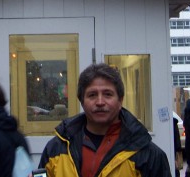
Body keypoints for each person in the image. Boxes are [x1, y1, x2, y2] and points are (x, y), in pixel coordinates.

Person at [39, 63, 171, 177]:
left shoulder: (149, 155)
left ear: (120, 100)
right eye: (92, 95)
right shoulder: (56, 148)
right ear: (82, 101)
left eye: (108, 94)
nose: (100, 102)